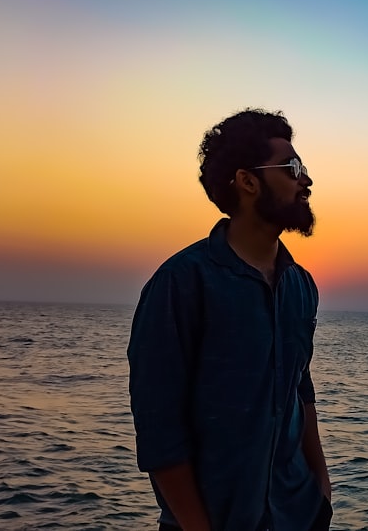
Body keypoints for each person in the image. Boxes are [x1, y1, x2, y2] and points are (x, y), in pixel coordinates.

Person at [128, 108, 332, 531]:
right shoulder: (181, 284)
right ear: (248, 181)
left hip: (298, 516)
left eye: (304, 168)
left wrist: (322, 491)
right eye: (292, 167)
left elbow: (301, 389)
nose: (305, 180)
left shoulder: (301, 287)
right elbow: (159, 427)